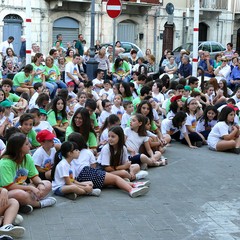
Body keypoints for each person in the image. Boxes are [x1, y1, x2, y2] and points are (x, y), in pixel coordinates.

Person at [68, 132, 150, 198]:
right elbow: (93, 166)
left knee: (113, 180)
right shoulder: (88, 152)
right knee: (115, 179)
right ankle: (131, 189)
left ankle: (134, 184)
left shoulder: (69, 155)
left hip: (78, 178)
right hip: (88, 172)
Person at [0, 133, 56, 214]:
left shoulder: (27, 157)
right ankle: (38, 204)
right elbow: (8, 186)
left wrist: (40, 184)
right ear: (18, 147)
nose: (30, 145)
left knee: (47, 184)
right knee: (20, 194)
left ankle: (24, 205)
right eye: (26, 144)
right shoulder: (5, 163)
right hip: (7, 192)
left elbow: (34, 176)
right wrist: (30, 188)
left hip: (24, 188)